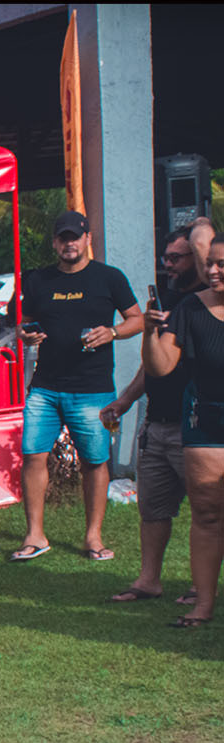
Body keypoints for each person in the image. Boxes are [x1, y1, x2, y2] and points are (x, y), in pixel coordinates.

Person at [15, 211, 143, 562]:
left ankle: (93, 537)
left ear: (88, 239)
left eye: (75, 237)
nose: (69, 243)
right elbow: (24, 324)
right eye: (63, 238)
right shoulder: (39, 279)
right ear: (54, 242)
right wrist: (26, 335)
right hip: (45, 386)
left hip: (93, 388)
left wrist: (113, 332)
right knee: (33, 455)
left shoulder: (109, 278)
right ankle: (35, 534)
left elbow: (137, 319)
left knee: (94, 461)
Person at [103, 222, 213, 604]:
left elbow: (205, 238)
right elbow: (154, 365)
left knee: (207, 511)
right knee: (152, 509)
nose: (168, 264)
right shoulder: (166, 298)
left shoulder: (208, 301)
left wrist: (198, 228)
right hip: (158, 423)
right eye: (165, 257)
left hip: (196, 426)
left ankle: (202, 585)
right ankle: (149, 580)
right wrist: (125, 400)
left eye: (176, 257)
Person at [140, 232, 224, 628]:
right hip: (206, 422)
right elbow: (160, 367)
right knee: (207, 514)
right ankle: (203, 604)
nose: (213, 270)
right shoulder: (190, 307)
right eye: (210, 263)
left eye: (221, 264)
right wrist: (148, 332)